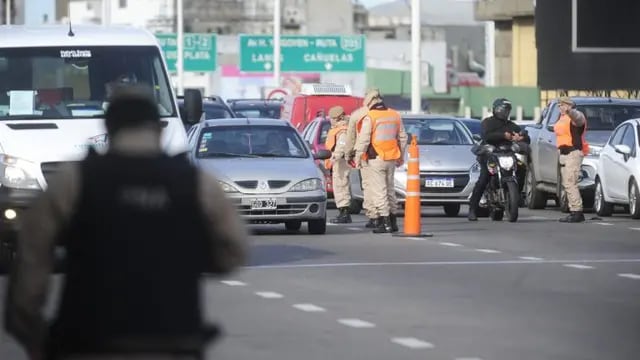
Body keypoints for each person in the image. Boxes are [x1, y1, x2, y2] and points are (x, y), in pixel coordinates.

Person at [4, 85, 248, 360]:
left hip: (88, 343)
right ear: (158, 129)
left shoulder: (77, 180)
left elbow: (31, 254)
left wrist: (32, 334)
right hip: (174, 343)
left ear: (109, 128)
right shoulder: (194, 182)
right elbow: (233, 252)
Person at [354, 88, 408, 233]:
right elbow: (403, 137)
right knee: (390, 189)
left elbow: (364, 140)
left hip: (376, 158)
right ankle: (393, 220)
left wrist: (358, 157)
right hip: (391, 158)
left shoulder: (370, 117)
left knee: (379, 191)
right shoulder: (395, 115)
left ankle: (385, 223)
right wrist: (401, 156)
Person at [468, 98, 529, 221]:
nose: (505, 112)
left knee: (522, 168)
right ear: (495, 109)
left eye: (507, 110)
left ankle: (518, 196)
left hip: (507, 154)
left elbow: (526, 138)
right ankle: (473, 209)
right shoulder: (488, 122)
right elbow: (487, 135)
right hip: (490, 154)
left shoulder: (512, 125)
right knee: (484, 178)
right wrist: (503, 135)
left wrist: (520, 137)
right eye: (502, 109)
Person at [554, 96, 588, 223]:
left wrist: (570, 112)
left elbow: (578, 119)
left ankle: (577, 211)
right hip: (564, 154)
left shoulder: (575, 116)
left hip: (573, 153)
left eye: (563, 105)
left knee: (571, 182)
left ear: (569, 106)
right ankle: (573, 210)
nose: (560, 108)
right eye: (559, 106)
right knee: (567, 184)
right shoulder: (562, 118)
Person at [346, 105, 377, 228]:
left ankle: (374, 216)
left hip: (367, 156)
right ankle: (386, 216)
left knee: (368, 187)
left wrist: (349, 155)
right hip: (387, 157)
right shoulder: (390, 114)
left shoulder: (358, 115)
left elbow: (352, 137)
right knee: (383, 187)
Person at [325, 106, 352, 223]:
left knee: (341, 186)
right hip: (337, 161)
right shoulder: (339, 129)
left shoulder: (343, 130)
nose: (330, 120)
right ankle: (342, 212)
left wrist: (334, 158)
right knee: (339, 186)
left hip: (340, 161)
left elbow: (341, 146)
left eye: (331, 118)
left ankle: (344, 213)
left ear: (336, 118)